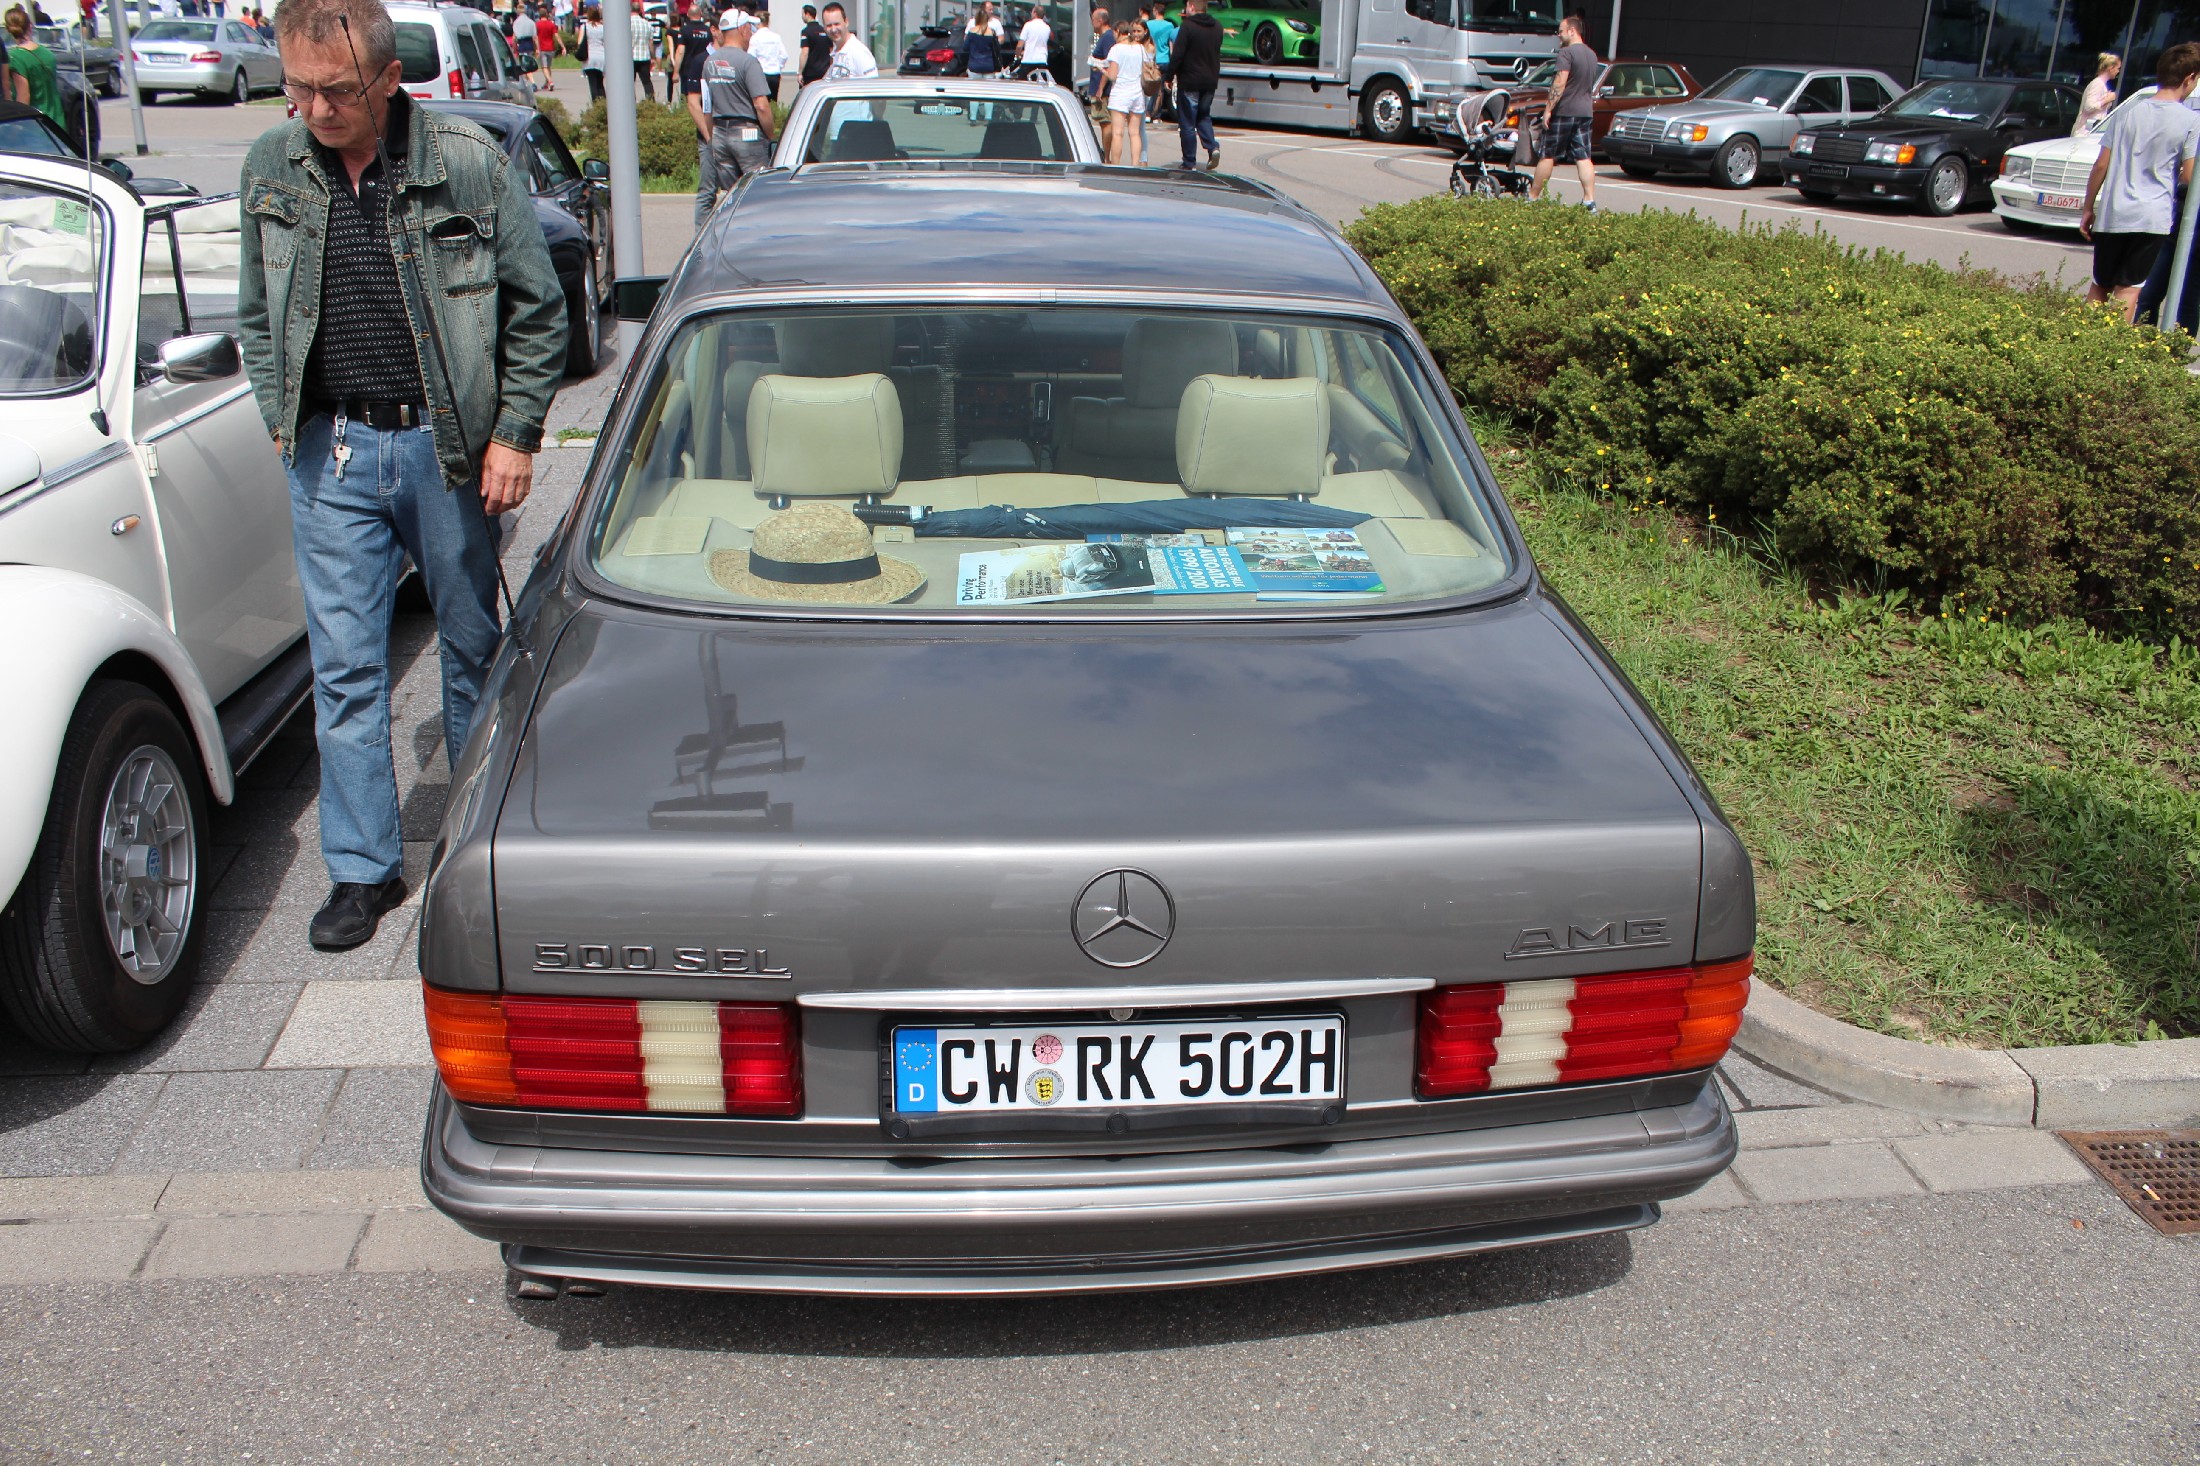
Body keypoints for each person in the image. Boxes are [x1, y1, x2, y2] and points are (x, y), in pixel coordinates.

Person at [238, 0, 565, 950]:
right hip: (331, 449)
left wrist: (515, 435)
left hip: (444, 448)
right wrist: (278, 411)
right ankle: (362, 869)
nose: (315, 109)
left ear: (390, 80)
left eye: (338, 90)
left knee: (471, 644)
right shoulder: (272, 166)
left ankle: (472, 845)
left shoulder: (464, 162)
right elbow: (257, 310)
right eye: (299, 88)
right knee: (344, 669)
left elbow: (538, 309)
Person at [2081, 41, 2200, 323]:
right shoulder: (2191, 121)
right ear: (2189, 78)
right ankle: (2113, 345)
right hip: (2151, 217)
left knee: (2099, 285)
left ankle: (2082, 340)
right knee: (2128, 289)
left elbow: (2101, 165)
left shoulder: (2127, 112)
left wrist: (2088, 208)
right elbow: (2188, 176)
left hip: (2113, 213)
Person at [693, 6, 775, 221]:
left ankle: (735, 231)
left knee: (732, 195)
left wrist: (712, 138)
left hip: (720, 133)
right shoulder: (748, 61)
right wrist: (770, 135)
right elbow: (761, 105)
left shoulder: (709, 63)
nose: (751, 33)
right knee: (757, 190)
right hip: (747, 132)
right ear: (742, 30)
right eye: (749, 28)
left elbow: (707, 107)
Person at [1529, 11, 1597, 209]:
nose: (1558, 35)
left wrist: (1548, 109)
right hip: (1585, 112)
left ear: (1572, 31)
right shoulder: (1592, 55)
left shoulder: (1566, 53)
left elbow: (1560, 82)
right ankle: (1589, 200)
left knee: (1547, 154)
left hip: (1564, 111)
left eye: (1561, 31)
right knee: (1583, 156)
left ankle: (1532, 197)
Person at [1165, 0, 1217, 170]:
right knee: (1203, 115)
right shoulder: (1217, 26)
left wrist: (1169, 76)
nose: (1185, 9)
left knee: (1187, 122)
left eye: (1187, 6)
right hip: (1210, 81)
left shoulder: (1188, 26)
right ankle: (1212, 147)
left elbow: (1178, 55)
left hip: (1190, 80)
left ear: (1192, 7)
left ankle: (1189, 162)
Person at [1101, 17, 1147, 165]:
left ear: (1117, 31)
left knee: (1117, 133)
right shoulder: (1140, 48)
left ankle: (1116, 165)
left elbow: (1113, 76)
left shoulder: (1116, 49)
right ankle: (1135, 165)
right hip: (1137, 93)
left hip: (1120, 93)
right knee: (1134, 133)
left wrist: (1102, 70)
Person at [2, 10, 59, 128]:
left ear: (8, 29)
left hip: (36, 124)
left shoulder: (15, 57)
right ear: (30, 26)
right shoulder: (47, 53)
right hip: (56, 120)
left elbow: (23, 96)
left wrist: (17, 126)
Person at [819, 1, 873, 79]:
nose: (833, 29)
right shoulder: (836, 53)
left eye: (837, 24)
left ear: (846, 22)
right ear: (824, 28)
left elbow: (873, 84)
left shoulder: (859, 52)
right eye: (829, 25)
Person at [744, 0, 786, 99]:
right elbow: (784, 55)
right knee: (773, 101)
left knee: (761, 100)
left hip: (761, 73)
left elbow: (751, 57)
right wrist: (778, 66)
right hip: (775, 73)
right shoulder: (776, 37)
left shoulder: (755, 38)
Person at [2078, 51, 2121, 135]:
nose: (2118, 71)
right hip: (2085, 133)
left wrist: (2106, 100)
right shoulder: (2097, 84)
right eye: (2117, 68)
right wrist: (2106, 100)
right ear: (2111, 68)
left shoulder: (2101, 84)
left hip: (2090, 132)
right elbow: (2088, 107)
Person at [1141, 1, 1171, 118]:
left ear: (1155, 11)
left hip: (1154, 59)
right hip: (1165, 59)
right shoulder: (1170, 26)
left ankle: (1148, 112)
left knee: (1150, 87)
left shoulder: (1149, 24)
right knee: (1160, 89)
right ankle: (1157, 114)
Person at [961, 0, 1002, 77]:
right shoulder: (991, 32)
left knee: (974, 85)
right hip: (989, 66)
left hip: (974, 66)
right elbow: (997, 48)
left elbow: (965, 47)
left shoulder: (972, 32)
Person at [1013, 2, 1047, 80]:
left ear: (1035, 13)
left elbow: (1020, 45)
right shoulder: (1047, 27)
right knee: (1039, 83)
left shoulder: (1028, 25)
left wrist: (1017, 55)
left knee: (1024, 84)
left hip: (1028, 60)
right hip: (1042, 60)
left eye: (1032, 12)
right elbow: (1039, 43)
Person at [630, 0, 656, 101]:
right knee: (647, 82)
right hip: (644, 56)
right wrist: (653, 57)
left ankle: (631, 102)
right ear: (640, 10)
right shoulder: (647, 24)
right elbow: (651, 43)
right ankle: (651, 102)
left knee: (629, 83)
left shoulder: (627, 23)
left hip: (631, 56)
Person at [796, 2, 827, 86]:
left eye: (802, 14)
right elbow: (831, 50)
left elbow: (805, 52)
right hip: (824, 72)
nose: (802, 17)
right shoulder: (824, 30)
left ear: (807, 14)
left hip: (810, 74)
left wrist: (800, 72)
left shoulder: (806, 31)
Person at [580, 2, 604, 101]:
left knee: (592, 83)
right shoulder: (603, 27)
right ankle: (603, 103)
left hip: (589, 57)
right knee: (600, 83)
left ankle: (596, 104)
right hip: (601, 57)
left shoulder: (585, 27)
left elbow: (580, 42)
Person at [1084, 5, 1108, 104]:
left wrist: (1101, 88)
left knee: (1100, 114)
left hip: (1102, 93)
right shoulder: (1103, 37)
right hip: (1096, 88)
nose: (1092, 23)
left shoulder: (1107, 38)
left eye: (1093, 20)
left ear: (1100, 21)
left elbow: (1108, 64)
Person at [533, 4, 560, 86]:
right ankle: (547, 83)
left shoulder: (537, 24)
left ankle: (550, 82)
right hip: (551, 48)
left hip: (542, 48)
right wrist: (563, 46)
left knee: (544, 67)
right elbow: (556, 35)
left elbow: (535, 37)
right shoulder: (551, 24)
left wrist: (536, 48)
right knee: (548, 67)